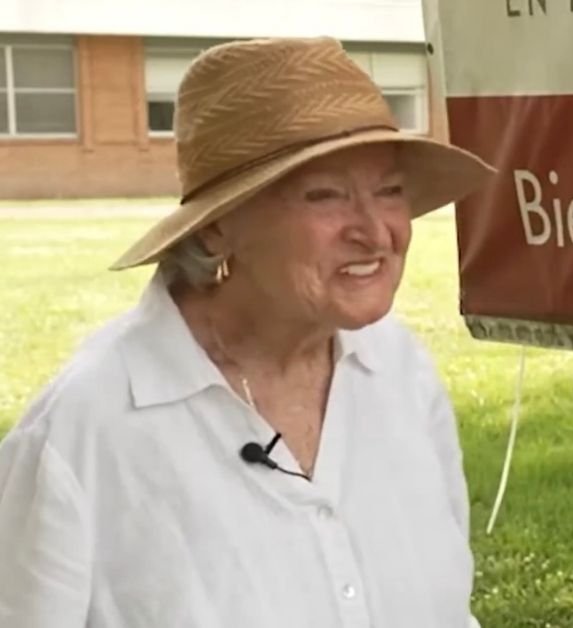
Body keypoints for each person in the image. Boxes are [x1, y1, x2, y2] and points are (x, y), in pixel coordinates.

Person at [0, 37, 495, 628]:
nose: (376, 230)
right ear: (215, 231)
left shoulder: (400, 371)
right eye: (325, 195)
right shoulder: (85, 432)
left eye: (389, 190)